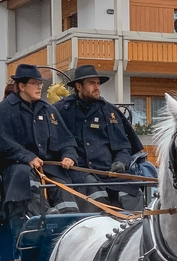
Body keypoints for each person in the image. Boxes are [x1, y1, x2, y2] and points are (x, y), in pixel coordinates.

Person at [0, 64, 79, 243]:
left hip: (47, 169)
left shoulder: (49, 111)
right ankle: (40, 220)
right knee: (24, 175)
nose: (40, 87)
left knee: (64, 182)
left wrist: (68, 155)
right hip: (14, 170)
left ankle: (71, 224)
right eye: (34, 83)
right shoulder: (1, 111)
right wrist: (26, 156)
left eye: (40, 83)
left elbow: (66, 141)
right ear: (21, 86)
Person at [55, 64, 145, 211]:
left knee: (132, 187)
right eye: (91, 83)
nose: (97, 87)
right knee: (96, 193)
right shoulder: (60, 110)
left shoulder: (110, 111)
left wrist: (121, 163)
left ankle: (136, 227)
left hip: (109, 171)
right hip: (79, 172)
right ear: (78, 86)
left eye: (98, 83)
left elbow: (124, 147)